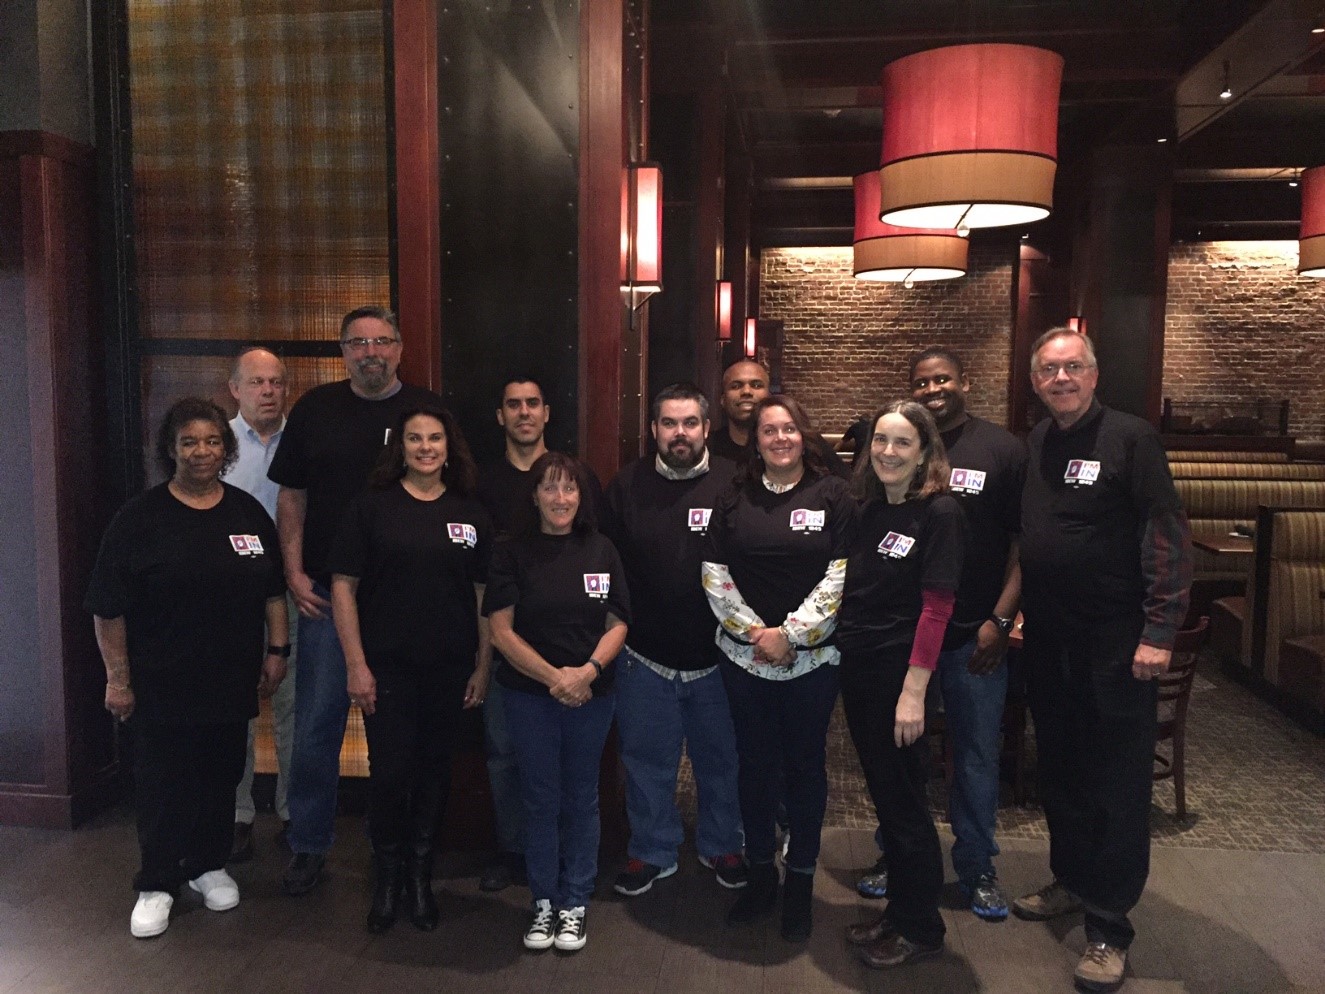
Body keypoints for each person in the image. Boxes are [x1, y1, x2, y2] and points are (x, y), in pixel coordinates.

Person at [1013, 329, 1192, 994]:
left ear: (1092, 375)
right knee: (1059, 764)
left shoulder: (1131, 437)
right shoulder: (1036, 441)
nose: (1060, 378)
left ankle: (1108, 927)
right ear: (1035, 381)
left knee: (1114, 778)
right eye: (1048, 370)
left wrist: (1159, 628)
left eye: (1071, 367)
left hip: (1118, 638)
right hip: (1050, 637)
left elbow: (1167, 534)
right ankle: (1070, 879)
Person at [86, 397, 288, 938]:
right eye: (189, 442)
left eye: (211, 441)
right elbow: (108, 607)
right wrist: (118, 678)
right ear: (170, 450)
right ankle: (157, 880)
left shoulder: (246, 512)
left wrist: (277, 652)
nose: (202, 452)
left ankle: (206, 865)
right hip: (161, 683)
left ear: (226, 447)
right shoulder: (139, 519)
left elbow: (273, 591)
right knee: (162, 781)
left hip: (229, 678)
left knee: (220, 775)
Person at [268, 305, 443, 896]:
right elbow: (291, 497)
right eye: (358, 342)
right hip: (321, 594)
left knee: (395, 735)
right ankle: (309, 844)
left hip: (400, 601)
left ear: (399, 348)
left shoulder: (425, 411)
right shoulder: (316, 410)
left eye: (382, 341)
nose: (371, 351)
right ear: (343, 351)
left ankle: (389, 850)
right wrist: (291, 570)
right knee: (317, 726)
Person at [329, 404, 492, 933]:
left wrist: (482, 665)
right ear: (399, 447)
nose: (426, 448)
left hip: (449, 669)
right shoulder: (371, 507)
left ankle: (420, 876)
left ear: (450, 448)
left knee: (434, 773)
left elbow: (484, 595)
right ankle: (387, 877)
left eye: (436, 439)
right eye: (415, 439)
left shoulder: (471, 512)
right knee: (390, 773)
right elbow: (343, 588)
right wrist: (356, 665)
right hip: (387, 668)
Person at [702, 395, 853, 942]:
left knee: (805, 769)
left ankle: (801, 886)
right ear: (755, 439)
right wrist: (758, 637)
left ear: (802, 433)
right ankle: (762, 877)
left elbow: (841, 576)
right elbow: (715, 576)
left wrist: (788, 636)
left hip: (813, 663)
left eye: (789, 427)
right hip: (745, 660)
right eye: (769, 430)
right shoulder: (733, 497)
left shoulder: (833, 493)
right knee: (755, 768)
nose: (780, 438)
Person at [483, 452, 630, 953]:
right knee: (540, 799)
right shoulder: (510, 553)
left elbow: (618, 624)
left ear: (582, 497)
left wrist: (586, 673)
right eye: (550, 488)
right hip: (529, 696)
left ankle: (575, 901)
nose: (561, 498)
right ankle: (543, 900)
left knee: (581, 798)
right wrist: (555, 679)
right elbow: (500, 632)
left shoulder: (602, 549)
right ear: (534, 496)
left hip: (592, 694)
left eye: (570, 489)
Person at [603, 384, 745, 897]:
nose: (679, 433)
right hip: (645, 656)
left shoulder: (736, 483)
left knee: (722, 759)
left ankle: (724, 843)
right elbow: (606, 564)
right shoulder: (626, 486)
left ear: (707, 428)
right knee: (646, 762)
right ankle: (652, 849)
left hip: (720, 657)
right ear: (654, 429)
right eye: (668, 423)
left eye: (689, 423)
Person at [836, 401, 965, 968]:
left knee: (908, 805)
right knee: (887, 801)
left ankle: (922, 926)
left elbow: (936, 609)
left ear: (924, 453)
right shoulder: (868, 509)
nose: (888, 452)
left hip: (901, 678)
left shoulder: (940, 514)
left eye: (902, 443)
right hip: (861, 672)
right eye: (881, 442)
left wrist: (914, 692)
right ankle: (898, 912)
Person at [906, 347, 1026, 920]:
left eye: (943, 378)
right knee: (902, 755)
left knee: (976, 757)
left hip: (976, 636)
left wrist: (1001, 623)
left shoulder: (1002, 449)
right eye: (922, 381)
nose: (933, 389)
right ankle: (899, 856)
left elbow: (1024, 545)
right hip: (909, 637)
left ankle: (977, 868)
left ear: (965, 381)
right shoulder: (902, 444)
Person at [475, 375, 603, 892]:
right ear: (500, 415)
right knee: (505, 755)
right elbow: (478, 575)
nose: (524, 412)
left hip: (577, 658)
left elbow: (600, 560)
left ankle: (571, 867)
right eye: (513, 405)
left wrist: (587, 664)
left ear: (547, 412)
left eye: (533, 403)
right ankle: (517, 852)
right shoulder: (480, 482)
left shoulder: (578, 476)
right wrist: (484, 658)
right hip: (506, 648)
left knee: (573, 777)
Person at [224, 346, 298, 862]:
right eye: (256, 382)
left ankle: (297, 815)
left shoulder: (304, 441)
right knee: (236, 707)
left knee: (295, 705)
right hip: (232, 593)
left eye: (275, 382)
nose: (267, 391)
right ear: (235, 389)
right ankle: (237, 815)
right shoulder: (216, 443)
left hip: (295, 589)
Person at [707, 359, 850, 478]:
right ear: (722, 400)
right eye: (736, 386)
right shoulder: (708, 448)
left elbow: (848, 487)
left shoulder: (804, 443)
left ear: (769, 396)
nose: (746, 392)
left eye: (756, 385)